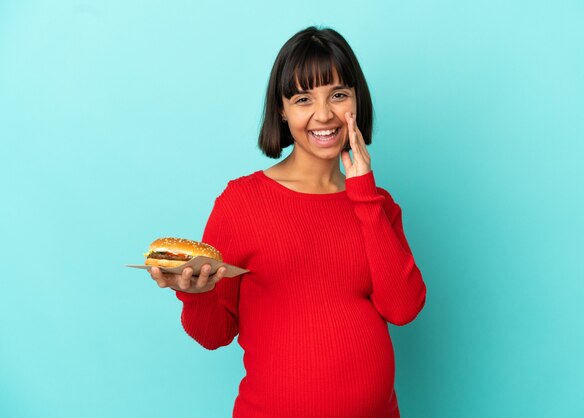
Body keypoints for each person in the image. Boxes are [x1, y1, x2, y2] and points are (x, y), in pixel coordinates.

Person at [149, 26, 427, 418]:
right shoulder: (243, 202)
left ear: (357, 102)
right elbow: (214, 335)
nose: (324, 114)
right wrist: (194, 295)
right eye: (303, 99)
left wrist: (363, 190)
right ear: (282, 110)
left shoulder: (377, 205)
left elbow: (402, 308)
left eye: (338, 95)